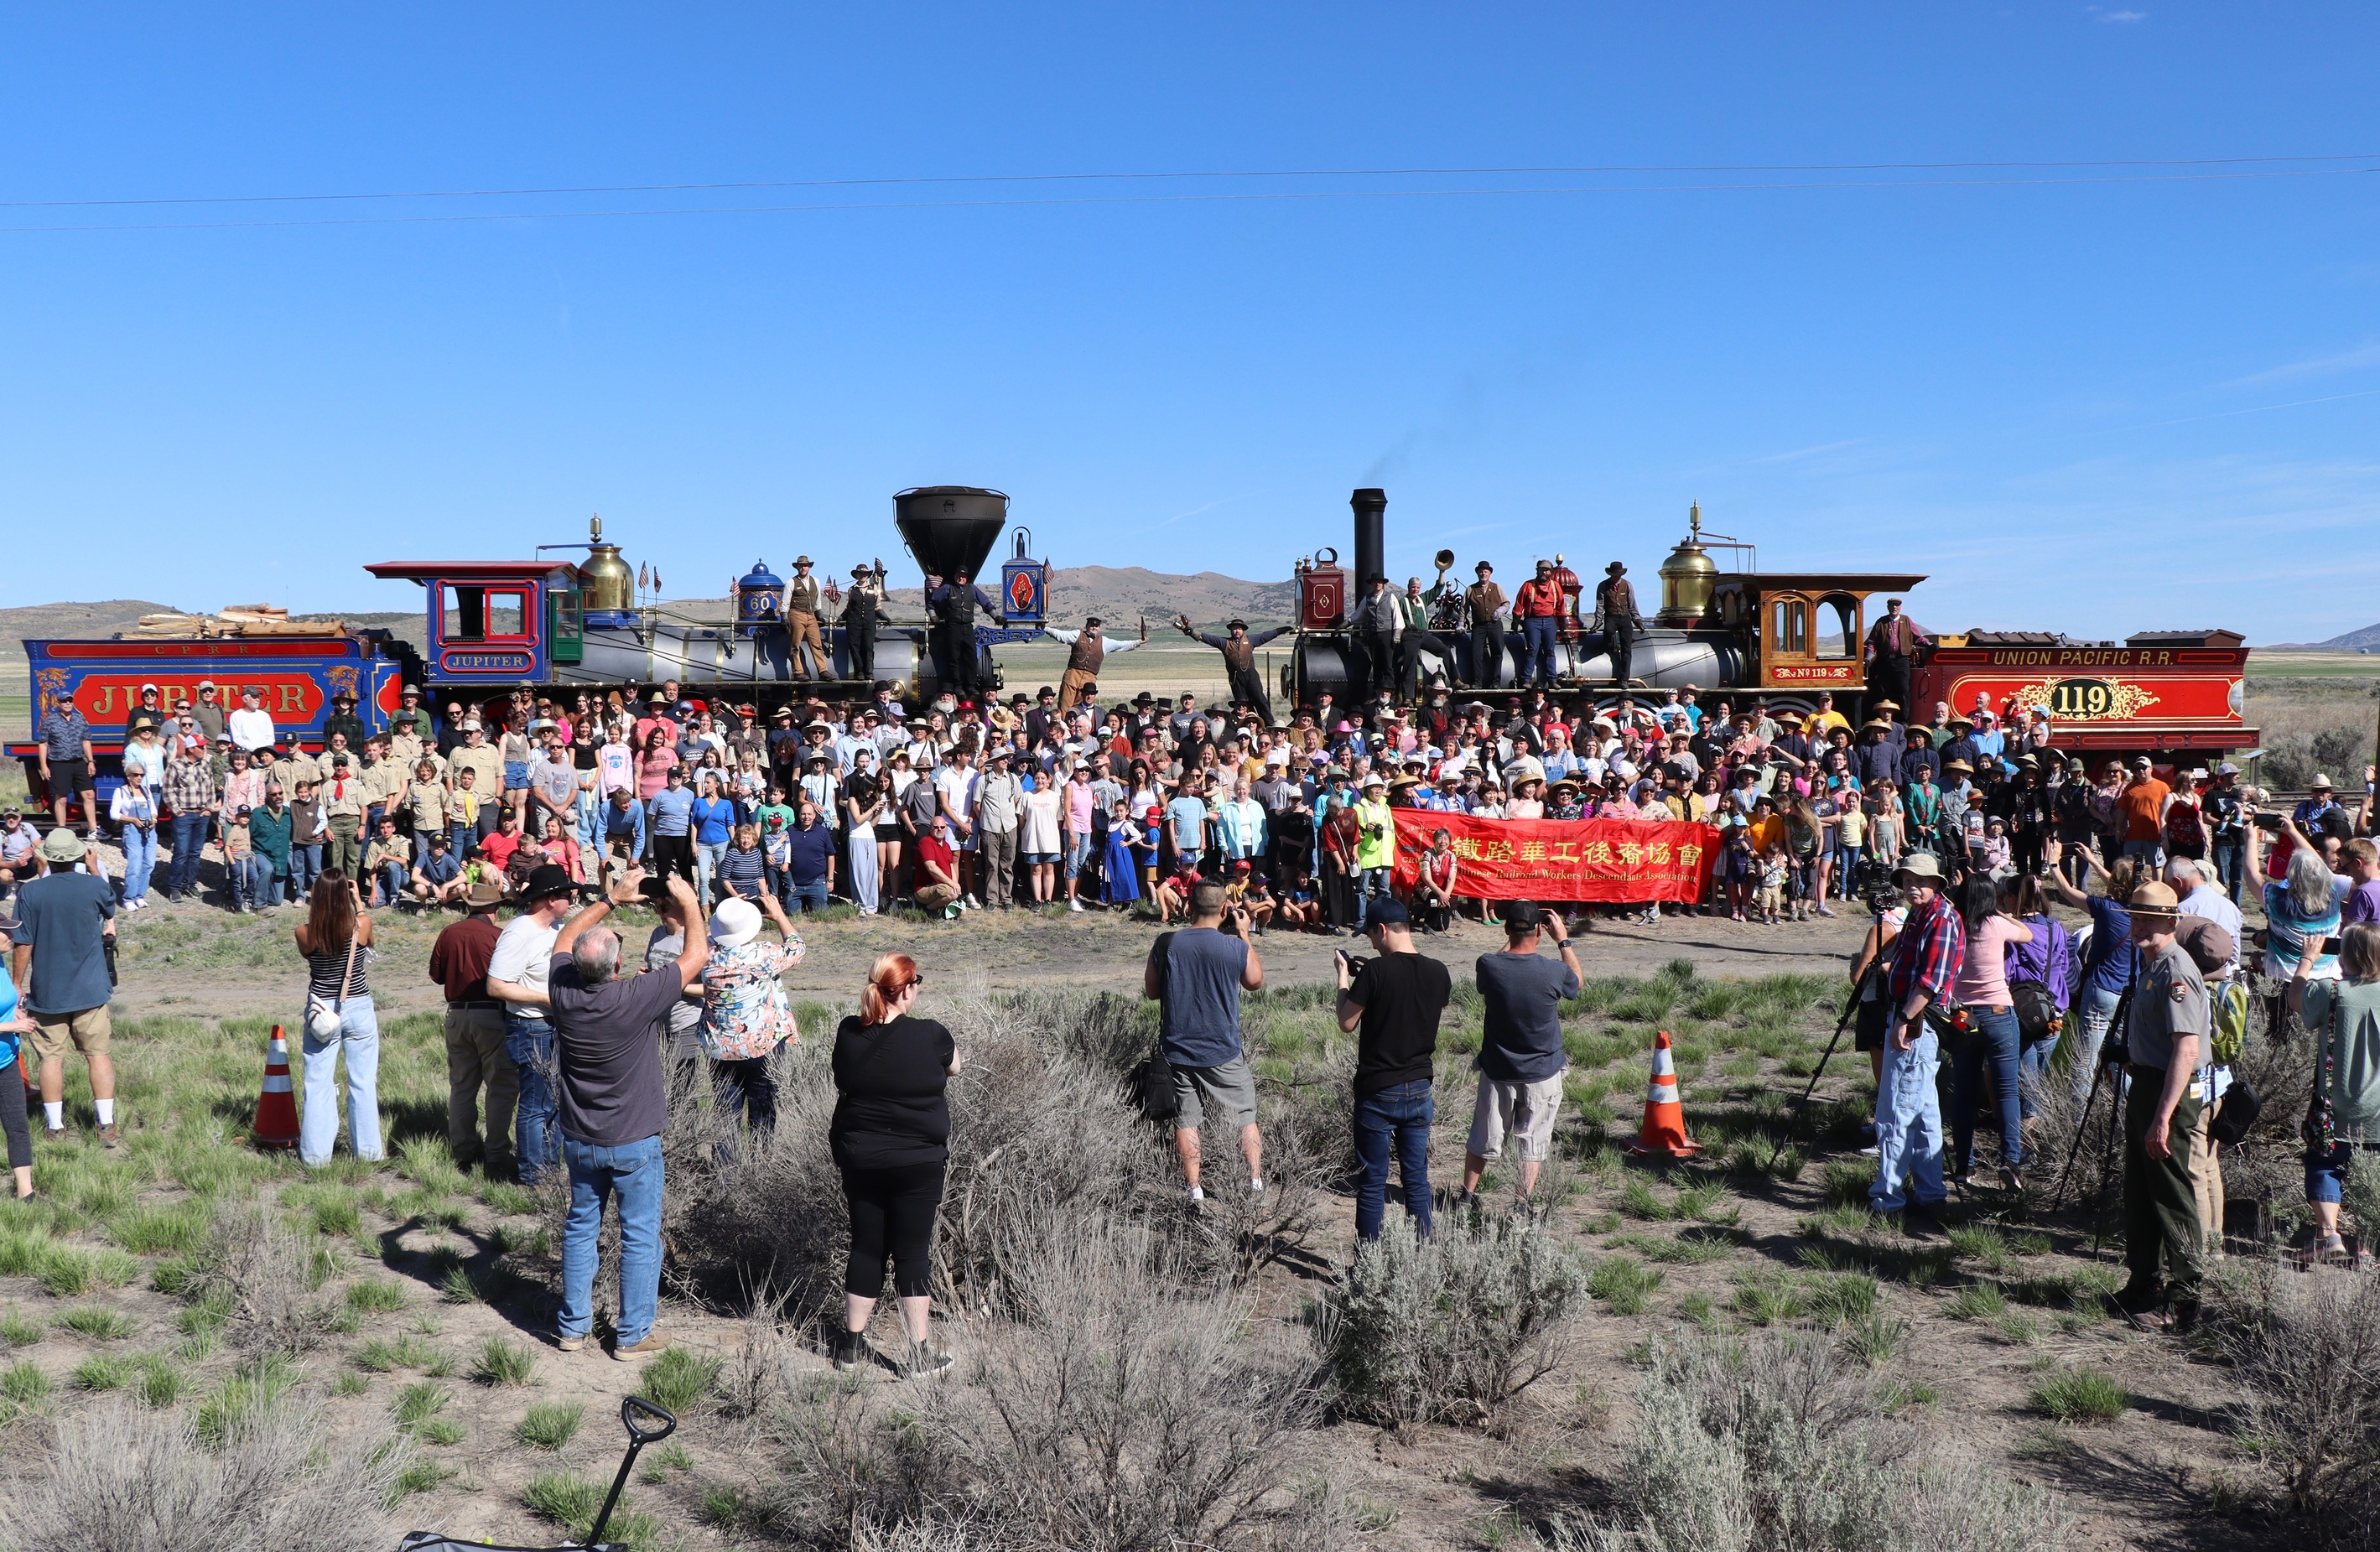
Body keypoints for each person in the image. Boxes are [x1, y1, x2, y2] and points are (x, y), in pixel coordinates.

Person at [547, 870, 707, 1361]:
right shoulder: (634, 999)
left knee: (580, 1227)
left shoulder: (564, 993)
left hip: (579, 1136)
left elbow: (564, 937)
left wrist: (610, 901)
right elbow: (697, 956)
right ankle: (632, 1334)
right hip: (634, 1138)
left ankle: (572, 1328)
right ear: (618, 966)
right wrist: (690, 902)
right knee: (639, 1234)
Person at [829, 952, 959, 1378]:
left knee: (866, 1245)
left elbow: (841, 1080)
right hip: (917, 1160)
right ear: (905, 989)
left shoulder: (849, 1032)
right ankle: (919, 1353)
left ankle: (851, 1346)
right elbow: (955, 1066)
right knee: (911, 1253)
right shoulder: (931, 1035)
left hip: (860, 1157)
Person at [2113, 880, 2208, 1333]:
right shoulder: (2151, 964)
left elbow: (2186, 1050)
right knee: (2140, 1189)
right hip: (2147, 1083)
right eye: (2134, 917)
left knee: (2171, 1194)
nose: (2139, 926)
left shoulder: (2176, 971)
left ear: (2170, 921)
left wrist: (2164, 1116)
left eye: (2149, 919)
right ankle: (2143, 1283)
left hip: (2170, 1091)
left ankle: (2186, 1297)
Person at [1143, 880, 1265, 1204]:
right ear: (1225, 910)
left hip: (1177, 1050)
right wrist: (1244, 934)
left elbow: (1152, 991)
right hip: (1222, 1050)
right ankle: (1253, 1182)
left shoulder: (1166, 944)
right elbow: (1255, 981)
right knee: (1244, 1116)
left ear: (1188, 907)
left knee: (1186, 1120)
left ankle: (1194, 1189)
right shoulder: (1234, 947)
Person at [1334, 898, 1449, 1241]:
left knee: (1372, 1182)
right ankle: (1423, 1257)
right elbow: (1410, 997)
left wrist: (1344, 978)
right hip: (1419, 1088)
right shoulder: (1439, 971)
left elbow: (1346, 1022)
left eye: (1370, 934)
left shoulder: (1374, 972)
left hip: (1379, 1091)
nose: (1370, 942)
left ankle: (1368, 1262)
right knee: (1416, 1179)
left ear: (1382, 930)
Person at [1462, 901, 1582, 1204]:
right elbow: (1576, 983)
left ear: (1506, 928)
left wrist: (1512, 939)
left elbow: (1499, 961)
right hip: (1542, 1071)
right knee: (1533, 1140)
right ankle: (1522, 1201)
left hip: (1499, 1070)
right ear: (1541, 930)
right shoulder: (1554, 971)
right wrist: (1563, 941)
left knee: (1483, 1136)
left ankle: (1467, 1195)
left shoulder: (1489, 965)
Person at [8, 829, 120, 1145]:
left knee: (51, 1059)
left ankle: (56, 1127)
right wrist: (95, 866)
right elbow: (110, 908)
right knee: (98, 1055)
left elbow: (23, 943)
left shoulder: (31, 893)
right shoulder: (94, 886)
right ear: (78, 855)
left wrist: (17, 984)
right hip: (91, 989)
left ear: (47, 859)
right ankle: (106, 1125)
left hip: (48, 991)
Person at [1872, 851, 1962, 1229]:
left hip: (1918, 1020)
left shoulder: (1941, 919)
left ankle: (1887, 1199)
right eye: (1907, 880)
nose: (1913, 886)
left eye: (1921, 880)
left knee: (1897, 1112)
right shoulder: (1923, 915)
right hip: (1915, 1018)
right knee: (1924, 1111)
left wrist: (1905, 1019)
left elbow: (1932, 980)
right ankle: (1930, 1194)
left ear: (1937, 884)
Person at [487, 864, 580, 1185]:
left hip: (554, 1027)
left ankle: (549, 1169)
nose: (572, 898)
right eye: (568, 894)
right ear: (551, 899)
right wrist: (547, 999)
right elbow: (497, 985)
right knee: (535, 1103)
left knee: (553, 1100)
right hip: (531, 1028)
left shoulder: (556, 930)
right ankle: (533, 1175)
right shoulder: (519, 932)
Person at [1948, 875, 2034, 1192]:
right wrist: (2000, 912)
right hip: (1998, 1010)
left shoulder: (1954, 924)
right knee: (2007, 1090)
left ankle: (1963, 1166)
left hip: (1962, 1015)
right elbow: (2025, 934)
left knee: (1965, 1093)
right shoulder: (1995, 924)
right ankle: (2010, 1160)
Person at [2300, 923, 2380, 1262]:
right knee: (2373, 1171)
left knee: (2324, 1165)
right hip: (2378, 1110)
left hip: (2335, 1105)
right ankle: (2367, 1244)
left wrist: (2307, 960)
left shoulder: (2329, 991)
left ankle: (2328, 1233)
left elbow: (2295, 1002)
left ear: (2344, 955)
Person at [291, 872, 382, 1168]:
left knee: (317, 1083)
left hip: (322, 1010)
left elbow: (310, 956)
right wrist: (359, 904)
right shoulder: (361, 924)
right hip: (358, 1005)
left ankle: (316, 1157)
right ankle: (368, 1154)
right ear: (346, 894)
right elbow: (369, 942)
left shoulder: (303, 932)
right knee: (363, 1082)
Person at [696, 892, 803, 1139]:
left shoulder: (707, 955)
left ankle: (725, 1173)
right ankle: (760, 1171)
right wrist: (779, 916)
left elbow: (701, 942)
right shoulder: (763, 954)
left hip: (720, 1047)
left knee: (724, 1115)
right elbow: (797, 948)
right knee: (763, 1115)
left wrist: (728, 917)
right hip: (761, 1045)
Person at [429, 879, 515, 1179]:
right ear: (494, 908)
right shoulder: (499, 937)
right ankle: (496, 1153)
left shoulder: (449, 933)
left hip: (457, 1015)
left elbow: (437, 976)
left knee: (462, 1087)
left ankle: (463, 1153)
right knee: (500, 1088)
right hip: (491, 1015)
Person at [1175, 615, 1290, 724]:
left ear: (1243, 630)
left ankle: (1269, 725)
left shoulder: (1251, 640)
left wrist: (1280, 630)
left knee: (1260, 699)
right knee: (1241, 703)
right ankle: (1245, 724)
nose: (1237, 631)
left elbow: (1266, 635)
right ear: (1231, 631)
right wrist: (1192, 632)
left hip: (1251, 675)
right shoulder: (1225, 643)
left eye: (1239, 629)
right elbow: (1207, 638)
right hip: (1235, 677)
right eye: (1234, 629)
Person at [0, 915, 38, 1198]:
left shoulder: (0, 963)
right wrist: (12, 1026)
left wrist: (14, 1012)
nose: (11, 939)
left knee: (17, 1125)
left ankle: (26, 1193)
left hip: (6, 1060)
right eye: (5, 933)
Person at [1863, 599, 1927, 723]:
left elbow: (1918, 638)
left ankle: (1904, 720)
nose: (1894, 608)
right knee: (1882, 690)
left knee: (1903, 690)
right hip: (1885, 660)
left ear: (1901, 607)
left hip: (1901, 660)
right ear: (1888, 607)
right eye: (1892, 605)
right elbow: (1872, 642)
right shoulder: (1881, 622)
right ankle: (1881, 718)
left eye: (1897, 606)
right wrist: (1869, 656)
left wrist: (1929, 644)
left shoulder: (1907, 620)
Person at [1592, 561, 1644, 686]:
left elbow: (1632, 604)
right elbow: (1600, 605)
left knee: (1627, 649)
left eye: (1618, 575)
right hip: (1611, 617)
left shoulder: (1627, 585)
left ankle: (1624, 678)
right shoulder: (1603, 586)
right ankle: (1607, 645)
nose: (1616, 577)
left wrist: (1638, 621)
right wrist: (1597, 622)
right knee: (1608, 631)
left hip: (1625, 617)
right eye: (1614, 575)